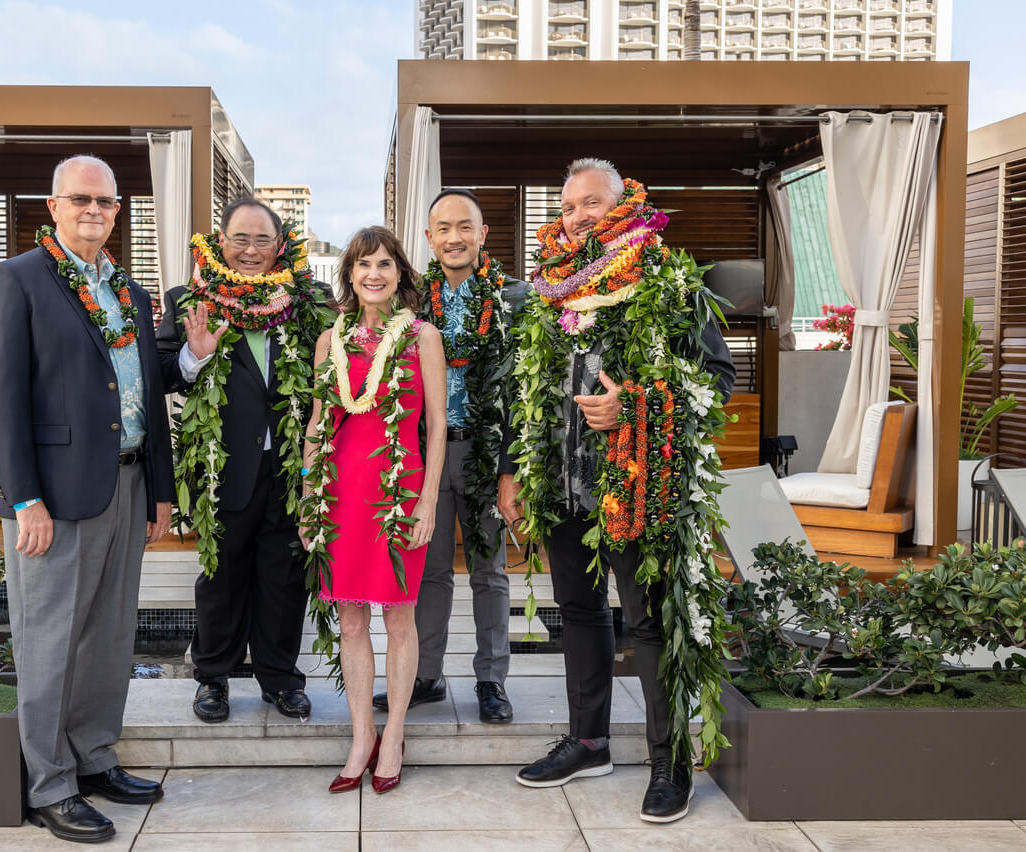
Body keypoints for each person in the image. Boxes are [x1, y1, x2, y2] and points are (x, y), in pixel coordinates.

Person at [498, 159, 735, 823]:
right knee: (578, 613)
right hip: (564, 485)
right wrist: (516, 468)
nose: (577, 215)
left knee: (650, 624)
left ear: (624, 203)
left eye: (591, 203)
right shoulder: (548, 289)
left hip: (638, 490)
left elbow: (717, 380)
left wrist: (635, 407)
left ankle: (670, 763)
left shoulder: (666, 277)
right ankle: (589, 741)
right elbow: (524, 392)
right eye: (569, 205)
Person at [0, 154, 172, 844]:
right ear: (53, 207)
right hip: (54, 498)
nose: (95, 210)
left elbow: (146, 388)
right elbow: (0, 398)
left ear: (120, 212)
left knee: (111, 634)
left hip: (127, 483)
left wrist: (161, 492)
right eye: (81, 199)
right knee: (50, 640)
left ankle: (94, 760)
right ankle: (50, 786)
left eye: (108, 202)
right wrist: (22, 496)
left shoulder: (130, 292)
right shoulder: (17, 280)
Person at [156, 198, 326, 723]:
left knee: (285, 576)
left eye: (261, 241)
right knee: (220, 578)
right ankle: (212, 679)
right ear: (221, 242)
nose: (250, 251)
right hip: (221, 468)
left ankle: (280, 678)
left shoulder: (309, 298)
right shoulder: (191, 298)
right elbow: (163, 371)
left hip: (291, 471)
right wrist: (196, 354)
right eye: (240, 239)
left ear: (280, 246)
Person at [300, 226, 446, 794]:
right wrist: (311, 496)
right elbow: (318, 423)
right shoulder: (329, 340)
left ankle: (397, 733)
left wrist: (428, 498)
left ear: (400, 272)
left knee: (399, 615)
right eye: (363, 265)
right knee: (352, 618)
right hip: (340, 493)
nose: (374, 274)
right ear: (350, 275)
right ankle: (362, 735)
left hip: (399, 489)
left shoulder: (422, 337)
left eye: (384, 263)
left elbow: (435, 428)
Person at [373, 188, 526, 722]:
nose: (454, 237)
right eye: (443, 228)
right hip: (425, 456)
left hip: (487, 454)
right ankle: (425, 675)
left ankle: (492, 680)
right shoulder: (410, 305)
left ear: (482, 235)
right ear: (428, 237)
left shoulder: (515, 301)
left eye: (465, 227)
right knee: (428, 571)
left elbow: (524, 397)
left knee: (489, 571)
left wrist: (511, 468)